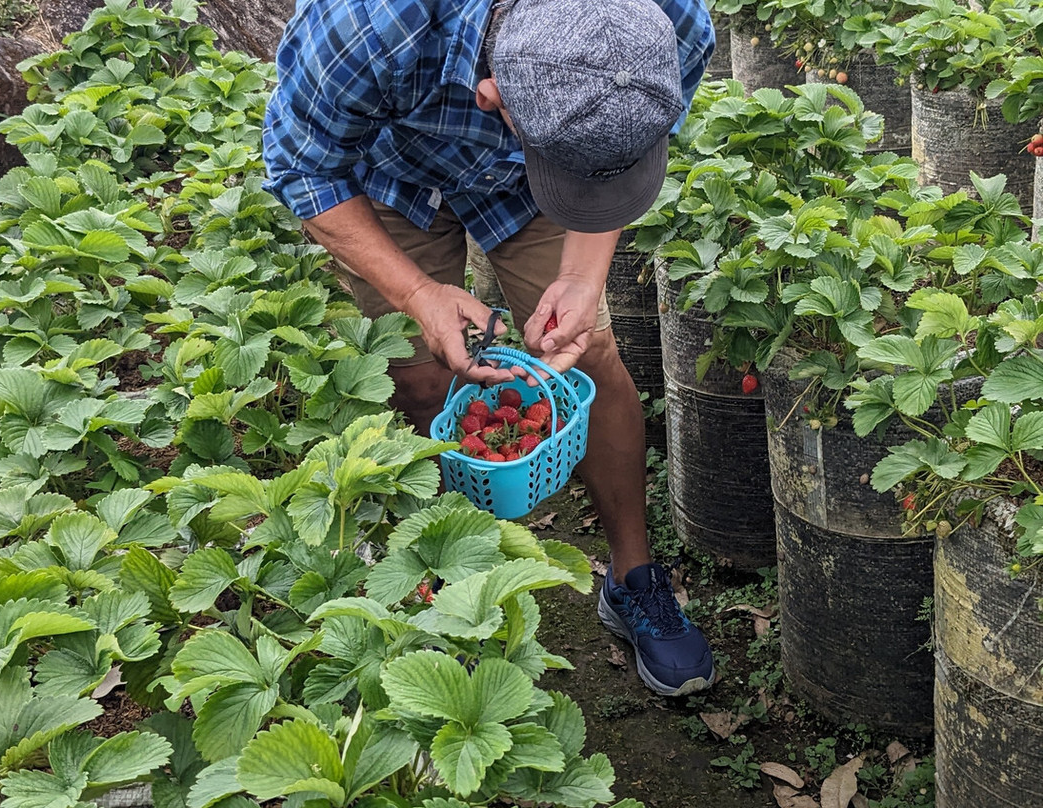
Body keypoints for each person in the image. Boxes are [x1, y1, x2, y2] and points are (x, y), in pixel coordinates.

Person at [263, 0, 717, 696]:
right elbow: (303, 168)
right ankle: (454, 588)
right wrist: (419, 295)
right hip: (385, 172)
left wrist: (582, 271)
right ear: (492, 99)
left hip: (532, 175)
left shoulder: (669, 16)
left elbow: (620, 150)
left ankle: (633, 578)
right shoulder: (368, 23)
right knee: (421, 374)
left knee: (586, 350)